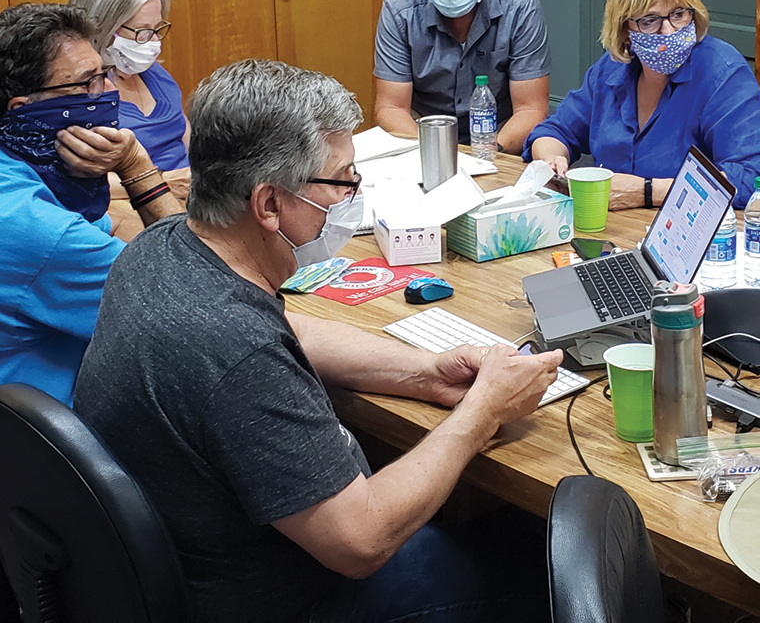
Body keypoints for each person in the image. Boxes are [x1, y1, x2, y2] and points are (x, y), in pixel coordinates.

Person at [75, 59, 561, 623]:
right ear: (269, 205)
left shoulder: (160, 248)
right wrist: (481, 413)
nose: (351, 196)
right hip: (289, 597)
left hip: (185, 567)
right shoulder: (238, 354)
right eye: (342, 181)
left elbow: (290, 328)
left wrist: (426, 372)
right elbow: (362, 541)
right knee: (542, 562)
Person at [0, 3, 183, 403]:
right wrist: (137, 167)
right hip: (64, 450)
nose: (110, 92)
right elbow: (204, 295)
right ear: (23, 110)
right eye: (89, 83)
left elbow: (109, 223)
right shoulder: (38, 232)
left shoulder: (15, 168)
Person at [524, 0, 760, 209]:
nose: (669, 30)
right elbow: (553, 131)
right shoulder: (611, 70)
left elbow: (758, 180)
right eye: (650, 21)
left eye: (679, 14)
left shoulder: (722, 73)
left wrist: (648, 191)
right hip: (614, 231)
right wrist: (551, 162)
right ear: (625, 31)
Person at [374, 0, 550, 153]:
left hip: (501, 134)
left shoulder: (519, 4)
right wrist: (435, 155)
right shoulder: (400, 9)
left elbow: (531, 109)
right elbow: (391, 109)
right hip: (423, 134)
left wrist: (486, 154)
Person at [70, 0, 191, 200]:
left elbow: (187, 138)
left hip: (192, 193)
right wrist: (164, 183)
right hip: (140, 201)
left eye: (157, 28)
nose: (155, 41)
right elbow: (78, 184)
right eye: (142, 31)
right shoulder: (79, 96)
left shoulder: (156, 74)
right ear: (101, 28)